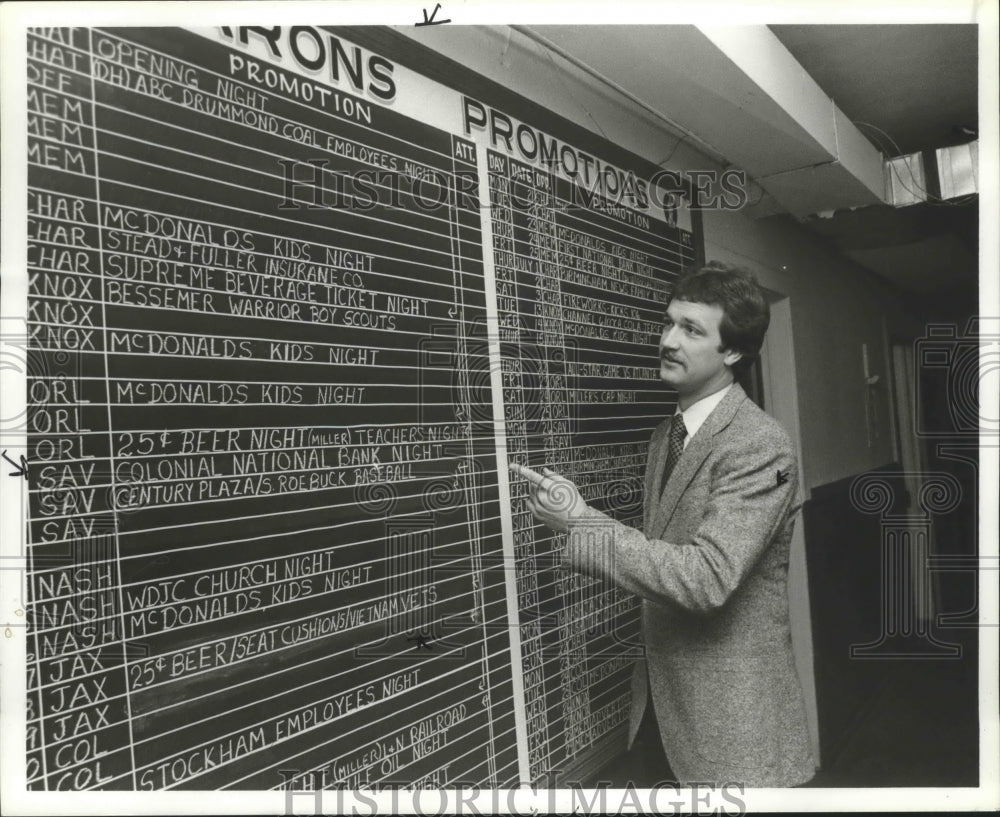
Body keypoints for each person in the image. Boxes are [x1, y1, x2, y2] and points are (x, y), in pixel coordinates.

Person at [513, 261, 815, 787]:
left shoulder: (761, 445)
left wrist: (580, 522)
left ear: (732, 352)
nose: (668, 340)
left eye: (691, 329)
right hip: (661, 711)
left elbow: (706, 578)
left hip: (731, 728)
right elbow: (662, 556)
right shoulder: (665, 437)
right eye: (669, 323)